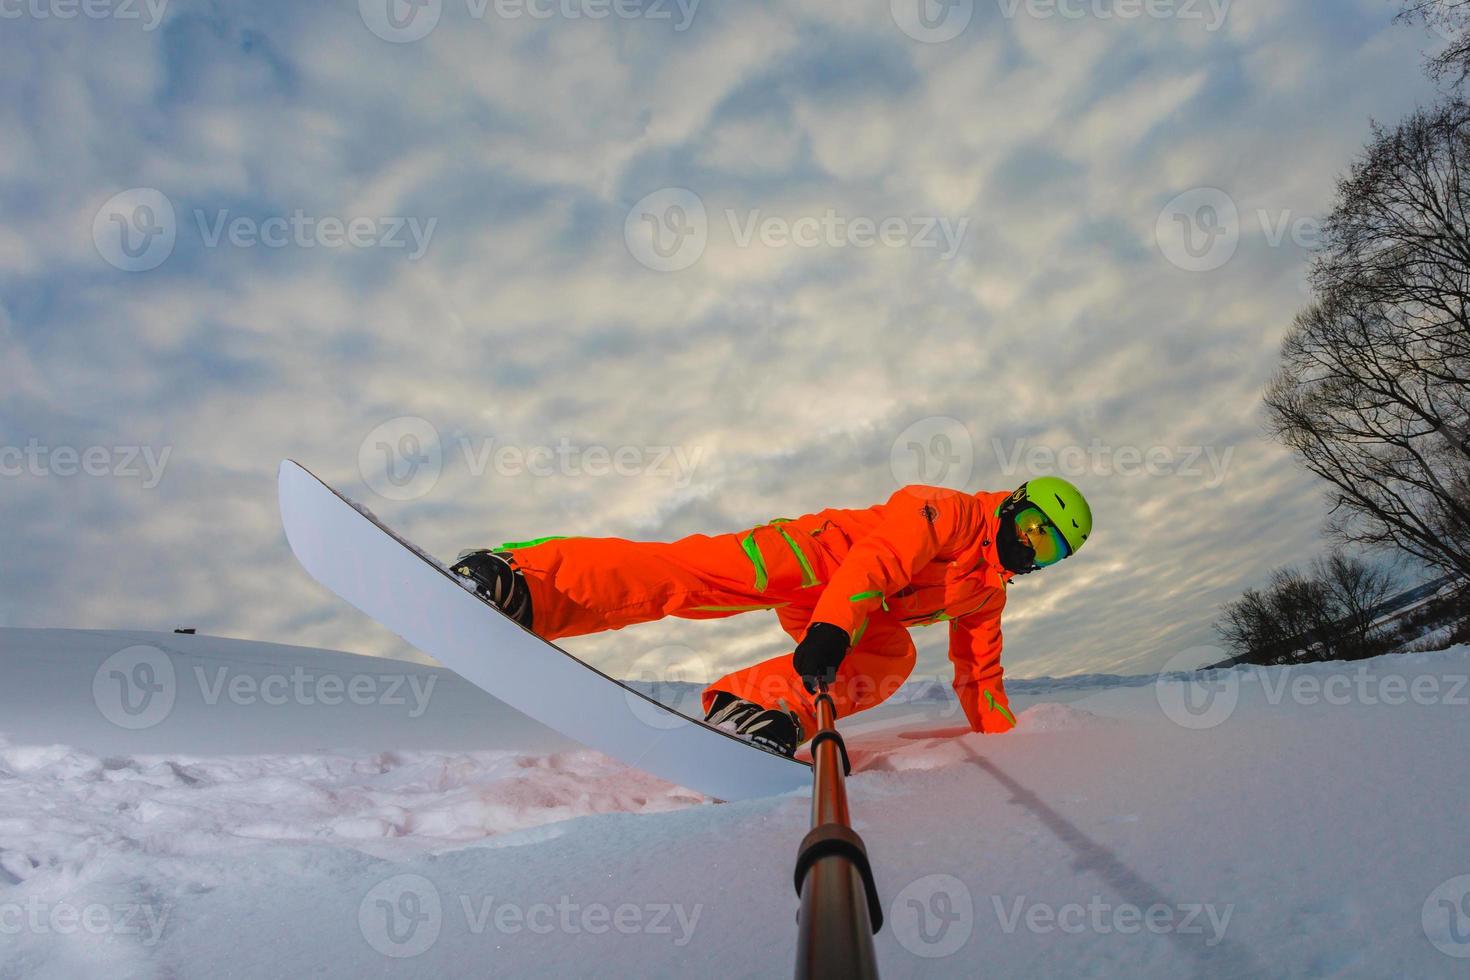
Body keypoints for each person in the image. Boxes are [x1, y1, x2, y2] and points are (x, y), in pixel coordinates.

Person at [449, 476, 1092, 757]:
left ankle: (757, 706)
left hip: (847, 618)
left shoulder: (986, 594)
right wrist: (834, 627)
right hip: (817, 559)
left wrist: (1010, 743)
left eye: (1050, 547)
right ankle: (522, 583)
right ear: (1013, 506)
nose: (1033, 545)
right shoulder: (949, 511)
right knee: (690, 577)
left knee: (894, 658)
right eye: (1034, 526)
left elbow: (981, 673)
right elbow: (881, 560)